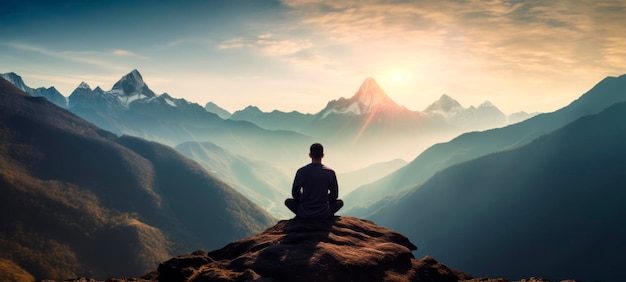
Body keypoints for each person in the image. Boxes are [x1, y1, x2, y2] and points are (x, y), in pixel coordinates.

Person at [285, 143, 344, 219]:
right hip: (323, 212)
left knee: (288, 202)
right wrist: (323, 199)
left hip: (304, 212)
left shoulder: (301, 171)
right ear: (322, 155)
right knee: (340, 202)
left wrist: (304, 198)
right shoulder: (330, 173)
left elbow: (295, 194)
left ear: (310, 155)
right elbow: (334, 195)